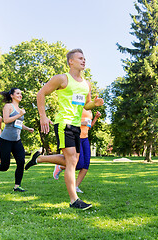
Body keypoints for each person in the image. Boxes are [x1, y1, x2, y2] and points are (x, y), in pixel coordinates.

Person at [25, 48, 104, 210]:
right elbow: (41, 94)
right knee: (71, 162)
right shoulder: (62, 79)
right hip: (64, 123)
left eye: (85, 58)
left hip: (76, 125)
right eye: (80, 58)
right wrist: (43, 116)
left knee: (72, 162)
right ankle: (74, 200)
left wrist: (94, 104)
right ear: (71, 61)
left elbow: (85, 105)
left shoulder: (86, 84)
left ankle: (39, 159)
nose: (84, 60)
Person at [0, 88, 34, 192]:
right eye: (18, 93)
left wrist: (27, 128)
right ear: (12, 95)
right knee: (5, 166)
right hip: (5, 140)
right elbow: (6, 120)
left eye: (21, 94)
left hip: (17, 140)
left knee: (21, 162)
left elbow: (18, 124)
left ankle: (17, 186)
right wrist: (19, 115)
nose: (20, 95)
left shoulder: (20, 108)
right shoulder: (8, 106)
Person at [53, 110, 101, 195]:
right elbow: (70, 122)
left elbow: (89, 126)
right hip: (76, 137)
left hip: (85, 138)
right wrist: (82, 123)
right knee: (79, 164)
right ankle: (61, 166)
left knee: (86, 164)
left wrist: (96, 118)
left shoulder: (90, 111)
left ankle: (75, 186)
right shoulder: (78, 107)